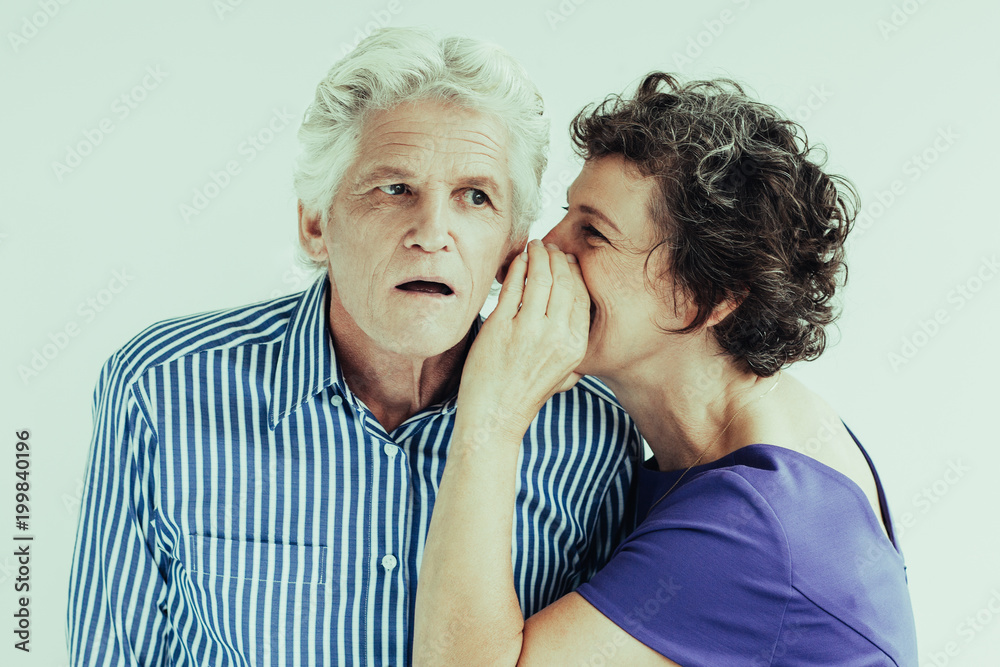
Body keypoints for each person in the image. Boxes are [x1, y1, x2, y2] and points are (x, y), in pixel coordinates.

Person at [66, 28, 643, 666]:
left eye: (475, 197)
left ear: (513, 246)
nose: (432, 234)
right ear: (316, 224)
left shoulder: (593, 433)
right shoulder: (162, 389)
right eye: (394, 188)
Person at [414, 72, 919, 665]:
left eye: (593, 233)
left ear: (707, 297)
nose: (537, 250)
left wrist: (492, 418)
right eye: (564, 214)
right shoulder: (773, 422)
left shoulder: (754, 526)